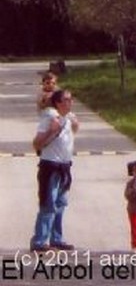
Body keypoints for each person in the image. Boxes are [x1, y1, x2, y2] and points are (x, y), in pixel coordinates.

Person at [30, 88, 80, 253]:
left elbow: (71, 135)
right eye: (66, 99)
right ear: (58, 103)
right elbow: (37, 144)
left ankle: (56, 239)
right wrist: (52, 130)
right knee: (48, 204)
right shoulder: (50, 118)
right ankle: (39, 241)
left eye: (71, 99)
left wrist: (75, 126)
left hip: (65, 166)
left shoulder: (69, 117)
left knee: (60, 204)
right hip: (50, 166)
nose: (70, 102)